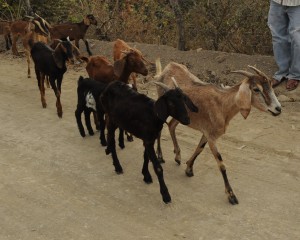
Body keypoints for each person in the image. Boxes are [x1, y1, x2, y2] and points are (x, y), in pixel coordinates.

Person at [268, 0, 300, 91]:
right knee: (277, 36)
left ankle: (295, 74)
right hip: (276, 2)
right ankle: (282, 72)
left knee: (297, 39)